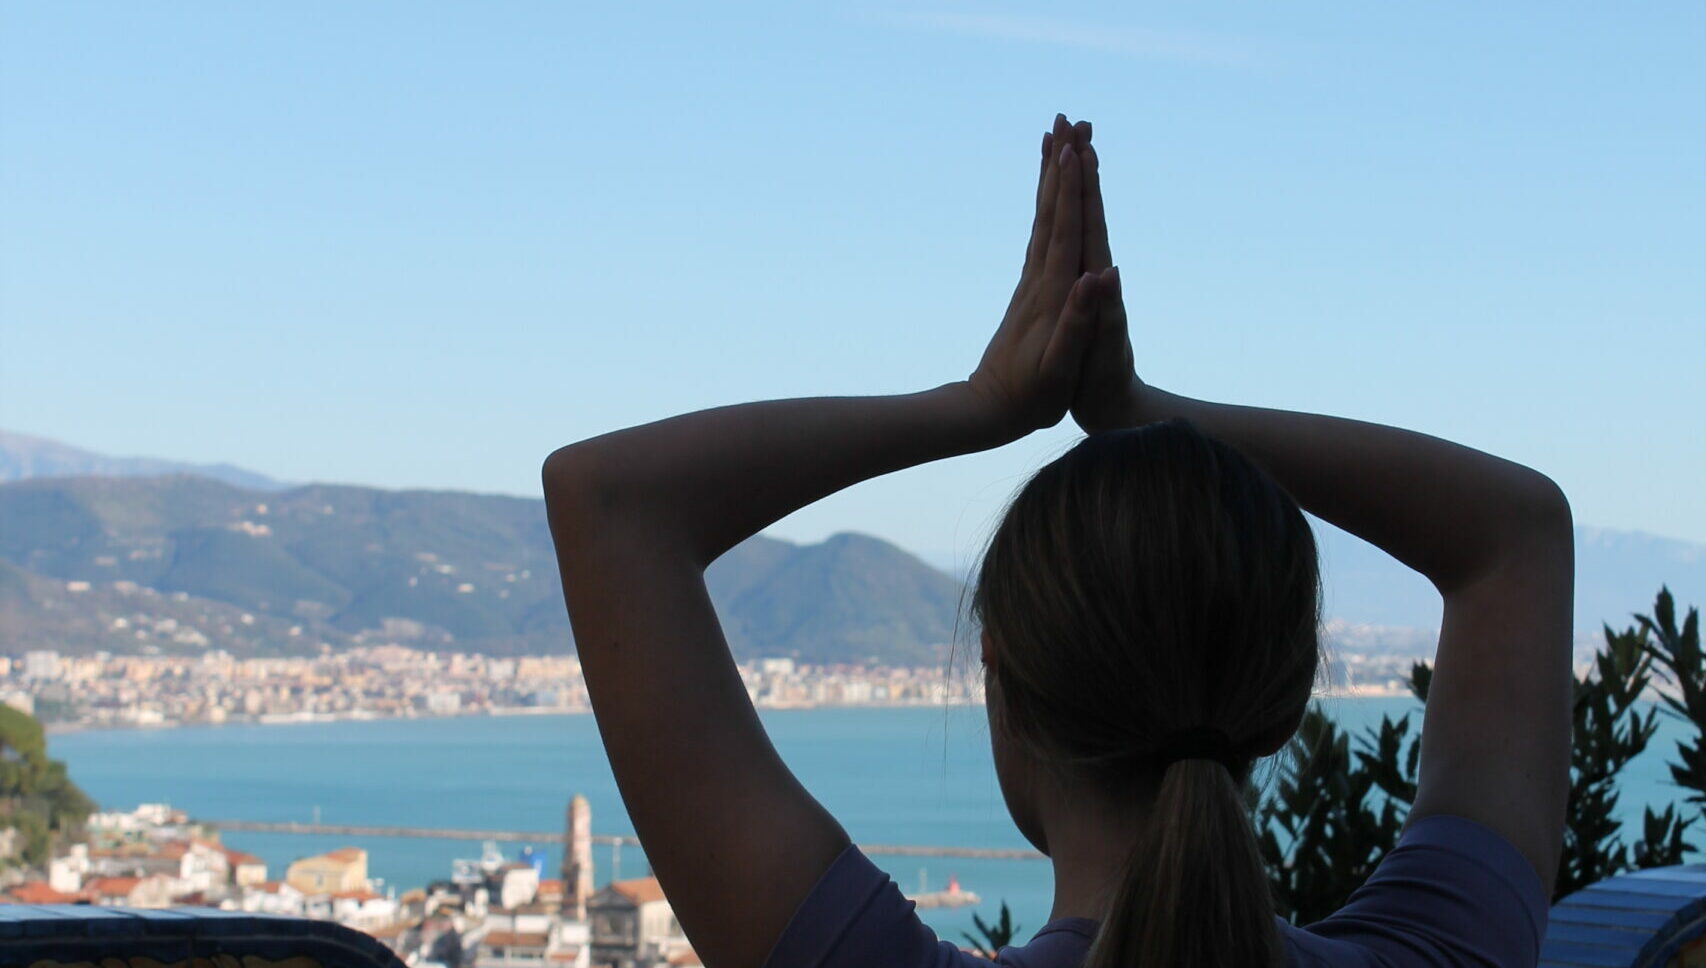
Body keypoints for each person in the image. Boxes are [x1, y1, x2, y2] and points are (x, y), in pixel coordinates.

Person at [541, 114, 1571, 967]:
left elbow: (608, 502)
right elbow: (1512, 533)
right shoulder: (1446, 951)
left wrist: (980, 403)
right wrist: (1140, 408)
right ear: (1287, 684)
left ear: (1004, 685)